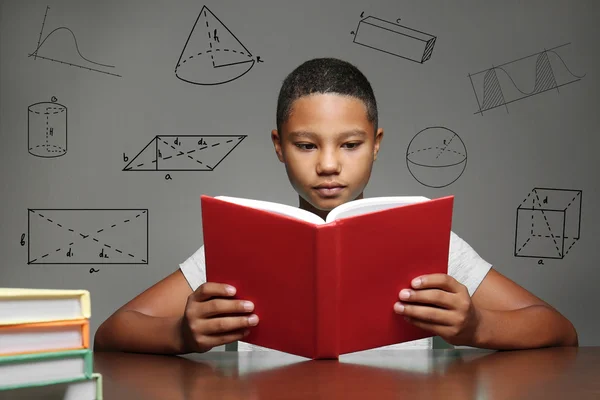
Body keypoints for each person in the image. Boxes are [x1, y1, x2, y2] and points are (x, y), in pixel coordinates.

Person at [94, 58, 578, 355]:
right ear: (279, 145)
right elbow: (114, 332)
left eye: (349, 144)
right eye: (306, 145)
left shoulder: (432, 245)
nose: (329, 165)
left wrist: (477, 325)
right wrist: (182, 334)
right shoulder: (235, 247)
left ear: (376, 143)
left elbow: (560, 330)